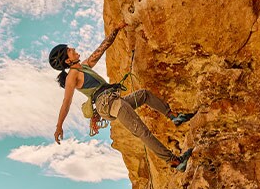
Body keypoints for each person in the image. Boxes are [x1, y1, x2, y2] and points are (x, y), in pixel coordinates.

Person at [49, 22, 194, 171]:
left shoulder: (84, 66)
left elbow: (102, 48)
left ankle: (173, 116)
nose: (73, 49)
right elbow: (66, 102)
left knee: (144, 95)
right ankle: (174, 161)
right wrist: (59, 126)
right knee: (142, 131)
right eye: (69, 50)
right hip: (108, 103)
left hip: (112, 100)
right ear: (68, 61)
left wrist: (116, 30)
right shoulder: (71, 76)